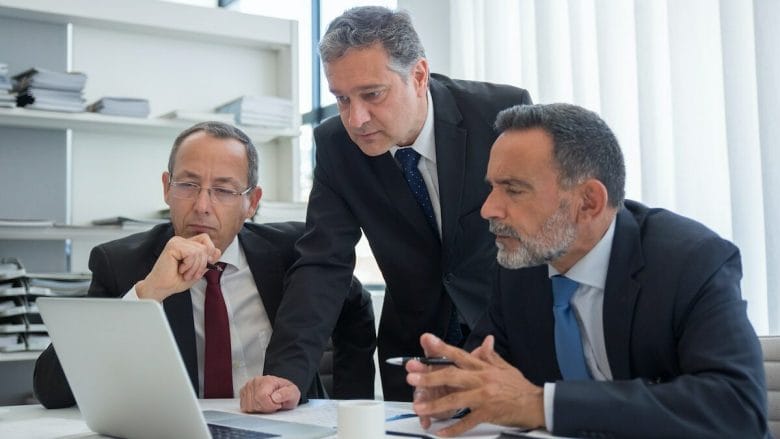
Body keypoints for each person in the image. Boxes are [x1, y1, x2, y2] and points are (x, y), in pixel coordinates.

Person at [404, 103, 768, 438]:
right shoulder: (521, 267)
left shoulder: (689, 262)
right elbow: (493, 375)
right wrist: (454, 386)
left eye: (513, 190)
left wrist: (540, 404)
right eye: (493, 188)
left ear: (589, 202)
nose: (489, 209)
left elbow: (736, 407)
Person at [250, 5, 533, 407]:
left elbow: (539, 236)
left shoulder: (499, 115)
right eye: (342, 99)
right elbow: (322, 263)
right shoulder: (336, 146)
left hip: (508, 340)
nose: (356, 118)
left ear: (418, 76)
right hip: (414, 352)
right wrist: (286, 373)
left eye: (372, 94)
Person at [33, 121, 376, 409]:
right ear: (167, 188)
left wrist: (346, 408)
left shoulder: (294, 253)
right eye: (187, 185)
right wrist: (149, 293)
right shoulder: (123, 263)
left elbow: (355, 308)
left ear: (251, 202)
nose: (201, 206)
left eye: (224, 191)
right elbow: (51, 389)